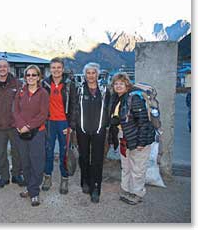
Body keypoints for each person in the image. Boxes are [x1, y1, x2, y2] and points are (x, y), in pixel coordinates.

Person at [109, 73, 155, 205]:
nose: (118, 86)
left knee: (138, 168)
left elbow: (143, 121)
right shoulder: (117, 99)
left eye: (121, 83)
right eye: (116, 83)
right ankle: (126, 189)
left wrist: (141, 142)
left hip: (137, 138)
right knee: (126, 166)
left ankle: (137, 193)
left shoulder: (133, 98)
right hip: (123, 137)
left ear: (127, 85)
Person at [14, 65, 49, 206]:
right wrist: (21, 125)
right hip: (22, 132)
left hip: (37, 133)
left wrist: (28, 126)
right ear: (25, 77)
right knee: (25, 162)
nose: (31, 77)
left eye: (34, 75)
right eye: (28, 75)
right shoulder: (20, 92)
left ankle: (34, 192)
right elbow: (15, 110)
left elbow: (43, 114)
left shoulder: (43, 93)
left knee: (37, 163)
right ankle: (30, 187)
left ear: (39, 77)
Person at [75, 62, 110, 203]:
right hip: (82, 128)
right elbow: (74, 108)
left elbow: (108, 108)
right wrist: (74, 124)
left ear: (98, 74)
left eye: (93, 72)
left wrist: (107, 125)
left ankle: (96, 187)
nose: (91, 75)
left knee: (97, 159)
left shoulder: (104, 90)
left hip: (98, 130)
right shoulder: (79, 90)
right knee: (83, 157)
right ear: (85, 74)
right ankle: (85, 181)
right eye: (88, 73)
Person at [41, 57, 77, 194]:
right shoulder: (45, 83)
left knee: (64, 153)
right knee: (48, 151)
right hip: (49, 123)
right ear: (50, 69)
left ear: (63, 69)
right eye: (53, 67)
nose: (56, 70)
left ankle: (64, 179)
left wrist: (71, 124)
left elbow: (74, 105)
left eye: (58, 67)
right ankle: (47, 177)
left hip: (64, 123)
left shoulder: (69, 84)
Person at [0, 58, 25, 188]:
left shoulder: (18, 84)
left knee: (17, 151)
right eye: (0, 67)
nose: (2, 69)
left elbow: (24, 103)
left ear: (8, 68)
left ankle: (16, 175)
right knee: (1, 153)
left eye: (5, 66)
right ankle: (4, 177)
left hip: (14, 125)